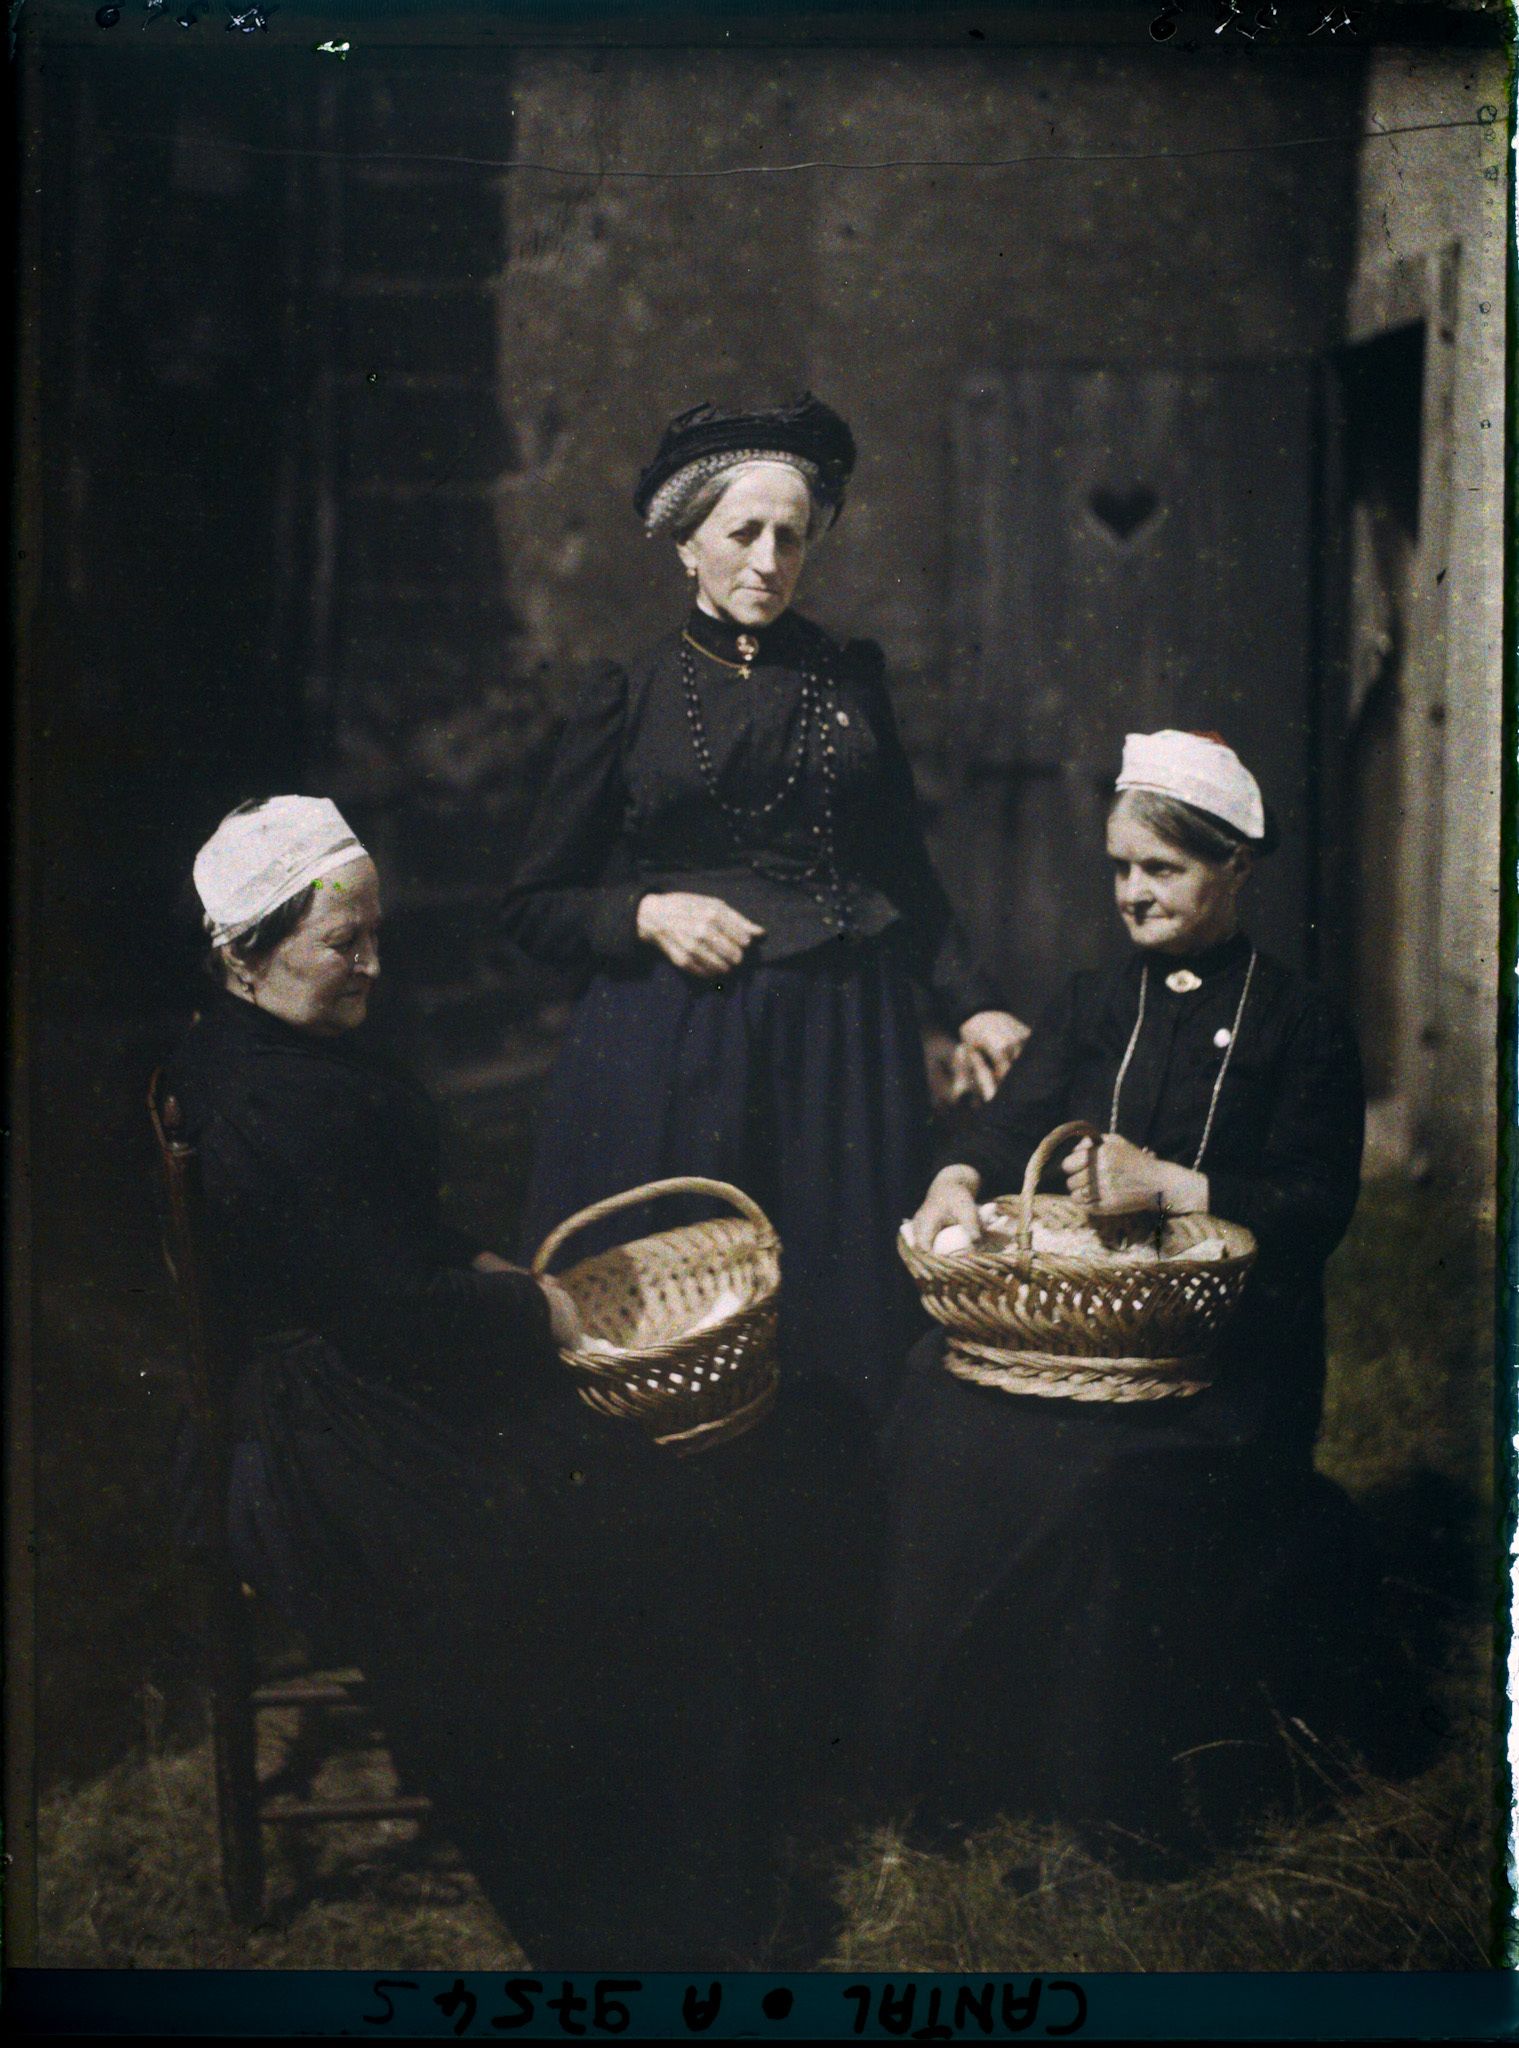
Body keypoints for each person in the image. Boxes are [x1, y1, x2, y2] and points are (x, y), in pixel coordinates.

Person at [165, 796, 772, 1966]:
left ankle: (664, 1851)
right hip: (324, 1432)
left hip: (359, 1366)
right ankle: (640, 1907)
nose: (375, 965)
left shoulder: (268, 1050)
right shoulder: (270, 1102)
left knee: (630, 1504)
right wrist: (525, 1304)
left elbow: (377, 1249)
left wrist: (470, 1261)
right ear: (245, 951)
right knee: (614, 1535)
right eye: (344, 943)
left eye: (376, 934)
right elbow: (388, 1311)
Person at [869, 730, 1390, 1859]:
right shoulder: (1093, 998)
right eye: (1118, 868)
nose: (1133, 892)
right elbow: (1008, 1126)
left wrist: (1171, 1183)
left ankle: (1100, 1789)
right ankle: (950, 1765)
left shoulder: (1301, 1023)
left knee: (1101, 1479)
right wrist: (958, 1176)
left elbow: (1316, 1207)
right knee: (934, 1409)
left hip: (1224, 1362)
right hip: (1078, 1339)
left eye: (1163, 868)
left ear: (1235, 869)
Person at [501, 393, 1027, 1430]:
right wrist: (647, 910)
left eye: (792, 535)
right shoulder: (630, 694)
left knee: (841, 1329)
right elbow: (532, 905)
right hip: (673, 1048)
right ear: (685, 541)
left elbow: (903, 872)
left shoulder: (849, 681)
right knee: (670, 1324)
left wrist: (972, 1003)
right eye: (742, 532)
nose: (768, 559)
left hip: (842, 1046)